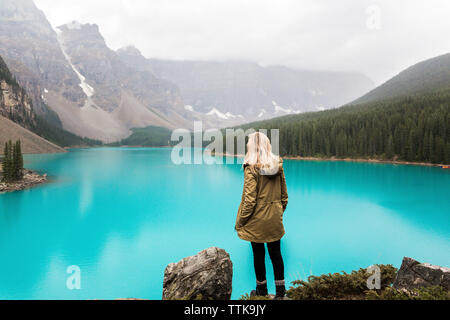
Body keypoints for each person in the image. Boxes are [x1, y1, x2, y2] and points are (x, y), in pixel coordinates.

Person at [235, 132, 288, 299]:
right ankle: (280, 293)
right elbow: (284, 196)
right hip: (274, 218)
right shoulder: (277, 166)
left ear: (251, 147)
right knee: (276, 254)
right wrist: (277, 211)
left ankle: (261, 291)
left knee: (258, 254)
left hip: (256, 220)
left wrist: (240, 222)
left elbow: (249, 200)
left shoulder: (251, 167)